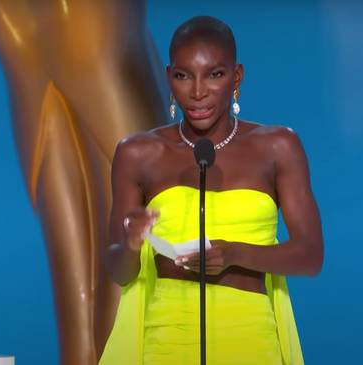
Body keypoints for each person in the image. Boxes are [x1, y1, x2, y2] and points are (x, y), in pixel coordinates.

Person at [100, 16, 323, 365]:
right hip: (166, 341)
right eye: (183, 75)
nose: (198, 91)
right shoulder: (137, 153)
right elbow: (118, 271)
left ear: (236, 78)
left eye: (214, 74)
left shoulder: (279, 146)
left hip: (251, 339)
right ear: (169, 76)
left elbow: (311, 256)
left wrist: (235, 254)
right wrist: (131, 243)